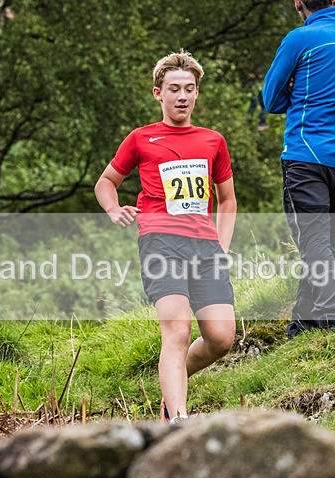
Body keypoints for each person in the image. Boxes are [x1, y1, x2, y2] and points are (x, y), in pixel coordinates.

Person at [94, 51, 237, 424]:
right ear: (159, 93)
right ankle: (177, 419)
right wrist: (114, 209)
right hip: (160, 240)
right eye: (174, 89)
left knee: (222, 338)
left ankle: (172, 384)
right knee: (176, 327)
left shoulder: (213, 141)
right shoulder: (142, 138)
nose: (182, 96)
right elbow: (105, 182)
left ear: (196, 94)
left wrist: (221, 247)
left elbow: (228, 200)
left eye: (189, 89)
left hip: (205, 246)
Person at [262, 0, 335, 339]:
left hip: (306, 158)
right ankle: (304, 325)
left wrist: (296, 90)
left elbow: (271, 99)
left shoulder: (299, 40)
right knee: (321, 247)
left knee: (314, 244)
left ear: (298, 2)